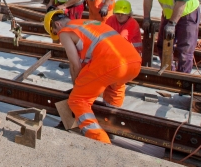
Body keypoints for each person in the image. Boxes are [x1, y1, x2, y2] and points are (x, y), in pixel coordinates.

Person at [45, 10, 141, 143]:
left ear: (57, 25)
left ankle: (100, 140)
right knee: (114, 87)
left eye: (55, 33)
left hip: (111, 64)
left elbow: (75, 65)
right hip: (134, 63)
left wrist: (77, 88)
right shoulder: (90, 23)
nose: (58, 37)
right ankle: (110, 125)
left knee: (77, 100)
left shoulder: (65, 31)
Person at [141, 0, 200, 73]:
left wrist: (172, 24)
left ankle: (182, 79)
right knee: (163, 45)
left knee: (184, 50)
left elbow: (181, 3)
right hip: (168, 14)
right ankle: (169, 72)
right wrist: (146, 18)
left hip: (187, 14)